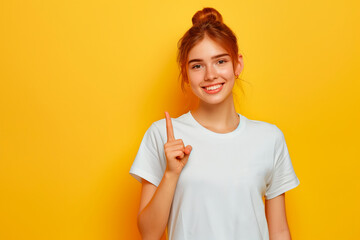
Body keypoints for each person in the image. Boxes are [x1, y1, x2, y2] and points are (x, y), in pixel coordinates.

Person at [129, 7, 300, 240]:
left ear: (237, 64)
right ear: (186, 73)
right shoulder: (162, 135)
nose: (210, 75)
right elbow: (149, 233)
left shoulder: (270, 138)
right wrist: (171, 174)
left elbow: (279, 231)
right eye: (197, 65)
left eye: (220, 61)